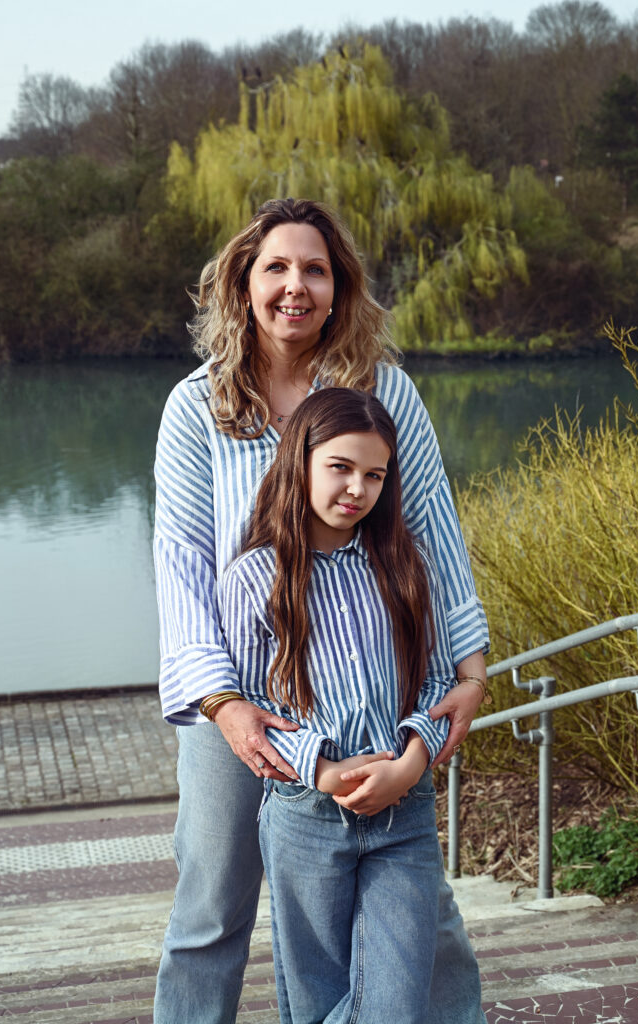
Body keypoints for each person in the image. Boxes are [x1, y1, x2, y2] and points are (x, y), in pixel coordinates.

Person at [153, 197, 490, 1024]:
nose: (295, 286)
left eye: (315, 269)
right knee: (212, 907)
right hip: (237, 707)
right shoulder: (196, 407)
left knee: (424, 915)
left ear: (340, 289)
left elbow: (434, 539)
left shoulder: (385, 395)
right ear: (243, 283)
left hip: (364, 695)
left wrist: (471, 668)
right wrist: (226, 707)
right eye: (275, 267)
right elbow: (183, 568)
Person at [222, 387, 486, 1023]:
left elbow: (432, 681)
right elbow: (256, 701)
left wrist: (411, 762)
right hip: (305, 812)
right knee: (313, 996)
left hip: (404, 811)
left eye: (374, 474)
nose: (357, 489)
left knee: (393, 1000)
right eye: (340, 467)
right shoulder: (255, 577)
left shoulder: (404, 565)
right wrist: (319, 770)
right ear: (301, 463)